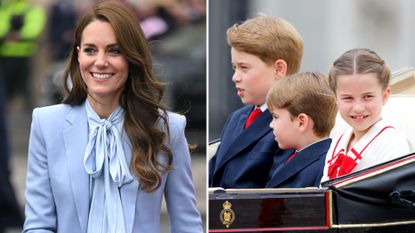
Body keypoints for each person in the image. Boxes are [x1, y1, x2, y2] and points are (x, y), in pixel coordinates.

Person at [23, 1, 203, 233]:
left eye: (114, 50)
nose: (100, 61)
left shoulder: (169, 128)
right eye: (90, 50)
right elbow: (38, 225)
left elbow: (187, 225)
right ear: (78, 55)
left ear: (132, 57)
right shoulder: (46, 124)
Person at [208, 15, 304, 188]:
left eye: (244, 68)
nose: (235, 77)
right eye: (234, 67)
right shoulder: (237, 118)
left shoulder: (294, 123)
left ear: (279, 69)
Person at [321, 48, 413, 182]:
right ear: (335, 98)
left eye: (368, 97)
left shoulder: (392, 143)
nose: (358, 108)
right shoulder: (337, 142)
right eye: (348, 98)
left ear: (384, 95)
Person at [265, 72, 337, 188]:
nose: (271, 125)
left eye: (276, 117)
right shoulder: (284, 156)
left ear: (301, 122)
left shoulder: (324, 166)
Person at [0, 0, 46, 105]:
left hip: (25, 55)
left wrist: (19, 35)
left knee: (26, 89)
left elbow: (35, 27)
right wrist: (9, 33)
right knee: (7, 90)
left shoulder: (31, 8)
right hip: (6, 55)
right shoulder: (6, 7)